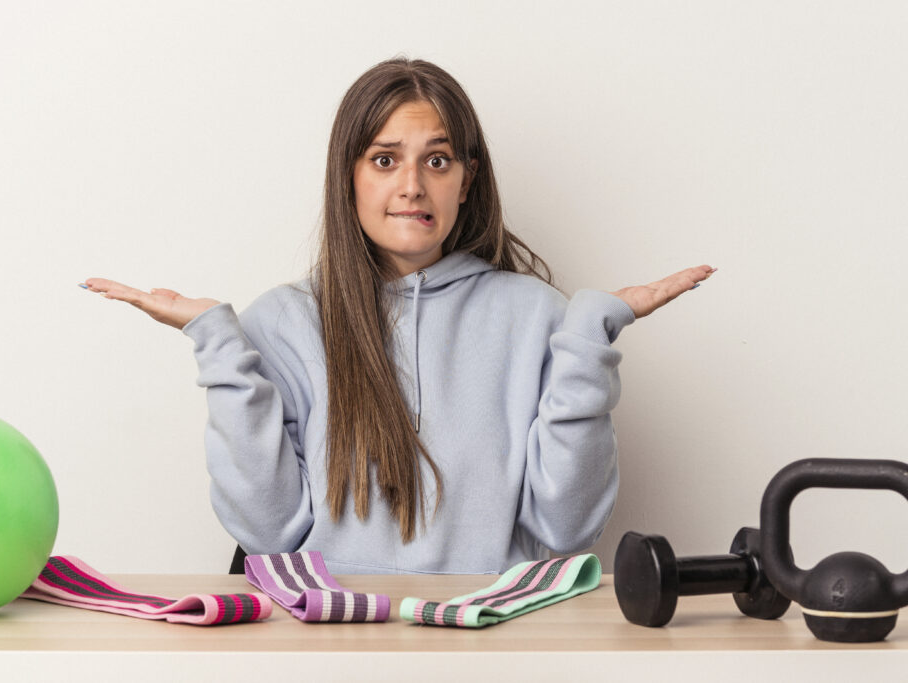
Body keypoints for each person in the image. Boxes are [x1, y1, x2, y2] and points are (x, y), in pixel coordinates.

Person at [83, 58, 714, 574]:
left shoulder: (541, 318)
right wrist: (218, 341)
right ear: (349, 177)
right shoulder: (281, 322)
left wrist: (589, 336)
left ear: (466, 182)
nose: (412, 185)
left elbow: (568, 531)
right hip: (329, 649)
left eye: (437, 161)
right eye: (385, 160)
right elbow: (269, 536)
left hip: (494, 646)